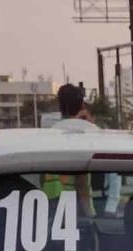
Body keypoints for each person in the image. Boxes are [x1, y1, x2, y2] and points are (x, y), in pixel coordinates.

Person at [43, 83, 120, 217]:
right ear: (82, 105)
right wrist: (110, 208)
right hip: (91, 208)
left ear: (60, 107)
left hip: (55, 210)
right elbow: (114, 172)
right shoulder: (97, 136)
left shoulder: (50, 137)